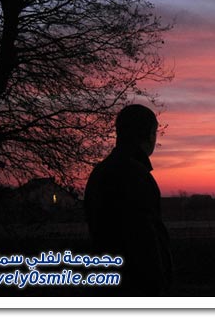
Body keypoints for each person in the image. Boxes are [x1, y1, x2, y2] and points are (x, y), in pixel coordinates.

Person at [84, 104, 173, 296]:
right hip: (134, 287)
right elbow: (145, 240)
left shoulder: (100, 173)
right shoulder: (136, 175)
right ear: (150, 134)